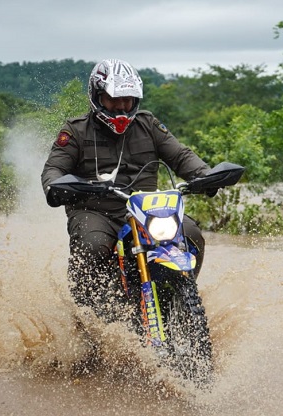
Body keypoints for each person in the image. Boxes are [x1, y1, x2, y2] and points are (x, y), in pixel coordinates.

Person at [40, 59, 213, 318]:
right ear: (97, 96)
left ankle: (181, 296)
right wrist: (56, 186)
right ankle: (89, 311)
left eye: (128, 99)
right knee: (93, 244)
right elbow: (53, 169)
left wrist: (206, 175)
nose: (122, 106)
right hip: (96, 211)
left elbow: (180, 156)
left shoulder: (148, 124)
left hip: (146, 211)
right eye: (114, 99)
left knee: (191, 234)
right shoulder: (75, 131)